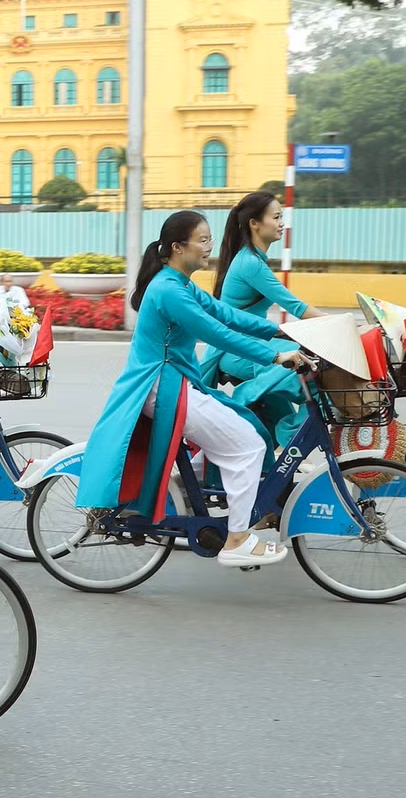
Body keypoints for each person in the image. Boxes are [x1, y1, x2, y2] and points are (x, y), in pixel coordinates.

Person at [77, 210, 310, 567]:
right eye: (202, 240)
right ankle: (237, 539)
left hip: (176, 382)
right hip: (163, 387)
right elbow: (217, 333)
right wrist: (276, 356)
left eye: (209, 238)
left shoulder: (180, 284)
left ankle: (186, 491)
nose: (210, 246)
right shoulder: (169, 291)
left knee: (241, 425)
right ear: (177, 247)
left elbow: (225, 314)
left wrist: (282, 331)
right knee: (247, 445)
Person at [205, 191, 310, 445]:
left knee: (270, 433)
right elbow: (296, 306)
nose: (282, 223)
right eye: (276, 217)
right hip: (240, 350)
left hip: (250, 343)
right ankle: (249, 403)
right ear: (254, 223)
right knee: (313, 373)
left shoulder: (252, 259)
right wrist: (342, 324)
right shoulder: (250, 263)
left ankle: (280, 450)